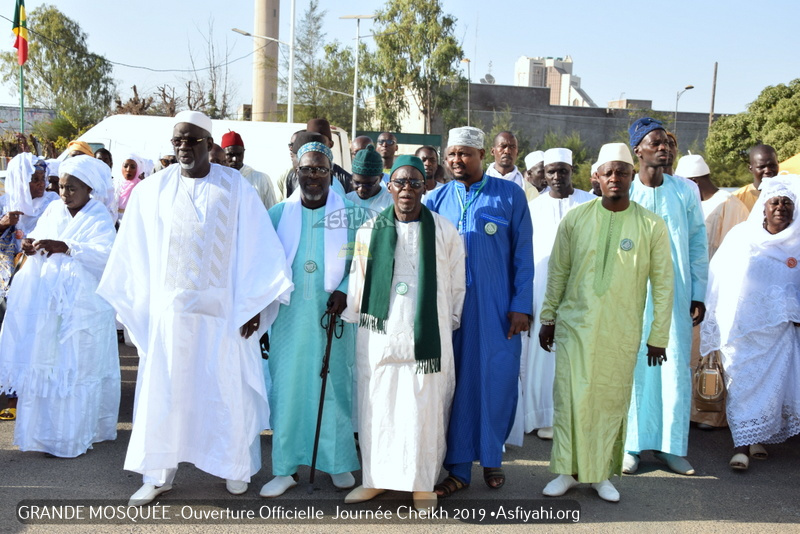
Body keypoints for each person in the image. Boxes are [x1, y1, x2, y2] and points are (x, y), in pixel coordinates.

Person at [96, 110, 293, 506]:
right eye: (177, 141)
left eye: (192, 140)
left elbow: (259, 249)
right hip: (170, 317)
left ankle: (235, 468)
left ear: (209, 144)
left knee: (226, 393)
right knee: (166, 395)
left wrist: (254, 304)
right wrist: (141, 308)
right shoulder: (153, 191)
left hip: (224, 316)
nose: (183, 147)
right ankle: (158, 474)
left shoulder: (236, 188)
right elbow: (133, 251)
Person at [538, 142, 674, 503]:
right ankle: (566, 471)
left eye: (623, 172)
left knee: (609, 400)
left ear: (632, 177)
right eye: (609, 172)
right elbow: (558, 272)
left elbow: (663, 284)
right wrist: (548, 316)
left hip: (621, 330)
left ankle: (600, 475)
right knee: (571, 398)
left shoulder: (651, 225)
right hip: (574, 326)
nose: (616, 178)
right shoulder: (576, 219)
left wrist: (658, 335)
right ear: (595, 177)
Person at [342, 155, 465, 511]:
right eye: (400, 182)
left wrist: (448, 320)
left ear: (426, 186)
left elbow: (457, 284)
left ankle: (421, 482)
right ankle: (375, 480)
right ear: (389, 186)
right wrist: (356, 314)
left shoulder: (444, 231)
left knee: (424, 408)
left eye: (415, 182)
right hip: (380, 336)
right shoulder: (370, 230)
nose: (407, 189)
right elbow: (359, 280)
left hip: (427, 336)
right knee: (378, 405)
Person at [425, 126, 533, 497]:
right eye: (452, 154)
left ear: (482, 155)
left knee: (496, 380)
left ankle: (491, 457)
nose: (457, 160)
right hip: (448, 311)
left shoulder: (510, 196)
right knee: (454, 385)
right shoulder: (436, 200)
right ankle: (456, 470)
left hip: (497, 310)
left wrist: (521, 306)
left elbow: (523, 256)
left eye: (465, 154)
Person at [0, 155, 120, 456]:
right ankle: (44, 435)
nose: (64, 193)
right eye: (62, 186)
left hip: (84, 309)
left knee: (79, 368)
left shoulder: (98, 216)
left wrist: (67, 247)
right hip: (49, 304)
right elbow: (39, 237)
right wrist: (31, 243)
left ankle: (75, 435)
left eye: (72, 188)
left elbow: (108, 256)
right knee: (50, 364)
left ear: (88, 189)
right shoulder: (54, 209)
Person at [261, 140, 360, 498]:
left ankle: (338, 463)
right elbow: (262, 265)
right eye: (306, 169)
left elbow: (364, 263)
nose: (313, 176)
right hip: (288, 322)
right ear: (296, 173)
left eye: (320, 169)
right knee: (287, 391)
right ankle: (285, 468)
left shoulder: (350, 214)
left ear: (331, 173)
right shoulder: (276, 215)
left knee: (334, 389)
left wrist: (346, 289)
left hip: (333, 318)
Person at [624, 117, 708, 476]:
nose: (665, 148)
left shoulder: (686, 191)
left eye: (668, 143)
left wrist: (698, 291)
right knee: (632, 366)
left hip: (675, 296)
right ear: (637, 150)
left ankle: (672, 447)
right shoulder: (624, 190)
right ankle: (630, 446)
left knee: (672, 367)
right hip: (630, 297)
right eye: (655, 142)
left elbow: (697, 243)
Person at [700, 176, 800, 471]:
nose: (781, 207)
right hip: (741, 332)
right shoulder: (742, 237)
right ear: (763, 208)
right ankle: (740, 446)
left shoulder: (798, 242)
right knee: (742, 387)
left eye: (787, 203)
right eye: (775, 202)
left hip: (779, 334)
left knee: (772, 390)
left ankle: (757, 438)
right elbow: (719, 280)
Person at [520, 148, 595, 439]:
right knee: (543, 353)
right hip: (542, 289)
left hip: (581, 289)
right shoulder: (533, 208)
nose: (556, 177)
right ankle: (543, 416)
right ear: (544, 174)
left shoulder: (591, 203)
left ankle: (574, 416)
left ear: (571, 172)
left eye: (562, 170)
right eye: (550, 171)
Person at [675, 154, 749, 430]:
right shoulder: (692, 203)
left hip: (716, 289)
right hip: (689, 286)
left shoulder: (729, 205)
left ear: (694, 181)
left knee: (710, 352)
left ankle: (709, 411)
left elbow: (735, 253)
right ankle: (688, 409)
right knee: (687, 351)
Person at [0, 154, 60, 422]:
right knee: (13, 335)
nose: (40, 185)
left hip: (43, 279)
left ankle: (33, 395)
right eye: (33, 180)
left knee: (38, 334)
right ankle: (12, 393)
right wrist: (4, 226)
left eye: (42, 179)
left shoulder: (53, 203)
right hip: (9, 281)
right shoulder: (4, 203)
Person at [221, 130, 277, 210]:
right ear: (222, 154)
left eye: (239, 154)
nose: (235, 159)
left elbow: (272, 212)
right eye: (230, 155)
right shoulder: (218, 180)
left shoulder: (261, 179)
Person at [306, 119, 353, 194]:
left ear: (330, 144)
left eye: (320, 141)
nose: (316, 146)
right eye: (311, 141)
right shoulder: (294, 176)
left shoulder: (345, 179)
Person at [346, 145, 393, 214]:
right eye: (357, 182)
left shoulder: (391, 201)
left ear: (380, 178)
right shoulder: (347, 199)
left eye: (368, 184)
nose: (361, 189)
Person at [733, 144, 780, 213]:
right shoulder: (736, 199)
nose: (768, 170)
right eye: (761, 167)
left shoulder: (792, 194)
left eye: (772, 165)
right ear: (751, 169)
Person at [113, 153, 145, 223]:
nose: (128, 170)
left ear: (138, 169)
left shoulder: (141, 186)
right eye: (125, 166)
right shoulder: (115, 184)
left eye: (133, 167)